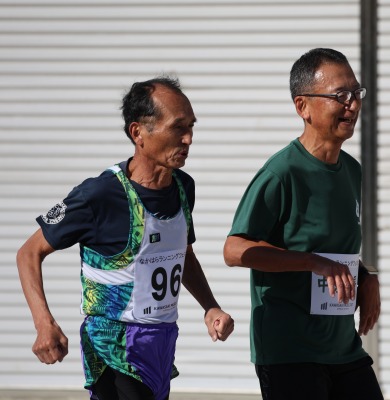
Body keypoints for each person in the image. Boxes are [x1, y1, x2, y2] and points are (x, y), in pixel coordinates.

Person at [16, 76, 234, 400]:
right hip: (112, 346)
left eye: (191, 127)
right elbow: (29, 252)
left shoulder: (183, 187)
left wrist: (210, 307)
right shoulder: (100, 194)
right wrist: (43, 323)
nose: (189, 138)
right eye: (178, 128)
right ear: (138, 133)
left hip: (161, 342)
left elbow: (181, 254)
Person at [223, 48, 383, 400]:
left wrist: (367, 274)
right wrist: (310, 262)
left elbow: (333, 251)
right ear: (303, 107)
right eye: (340, 95)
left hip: (342, 346)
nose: (352, 105)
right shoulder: (283, 172)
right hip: (290, 351)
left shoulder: (351, 170)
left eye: (356, 94)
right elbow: (234, 250)